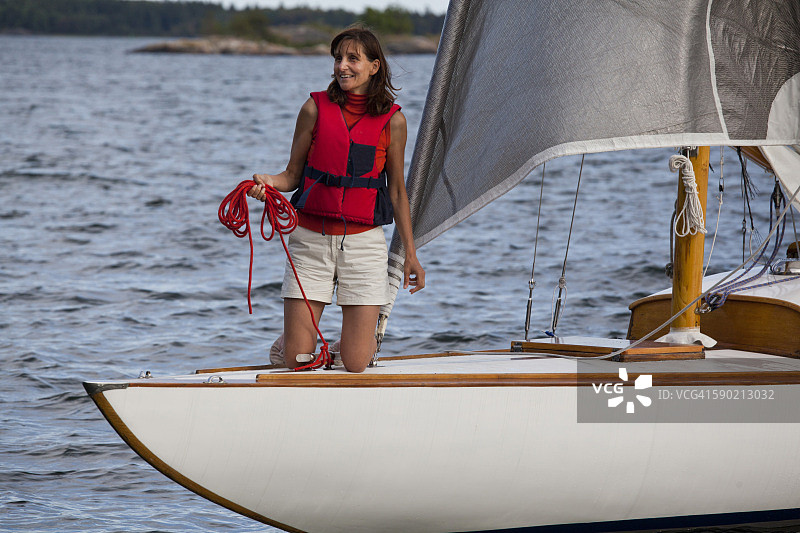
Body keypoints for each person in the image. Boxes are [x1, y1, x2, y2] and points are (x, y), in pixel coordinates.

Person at [247, 26, 425, 373]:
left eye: (352, 59)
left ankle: (339, 348)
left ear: (374, 66)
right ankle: (295, 346)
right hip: (310, 242)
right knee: (296, 359)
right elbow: (292, 176)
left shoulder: (395, 122)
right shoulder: (314, 109)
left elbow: (397, 192)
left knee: (357, 364)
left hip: (363, 245)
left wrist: (411, 256)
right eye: (338, 58)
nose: (342, 66)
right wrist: (268, 183)